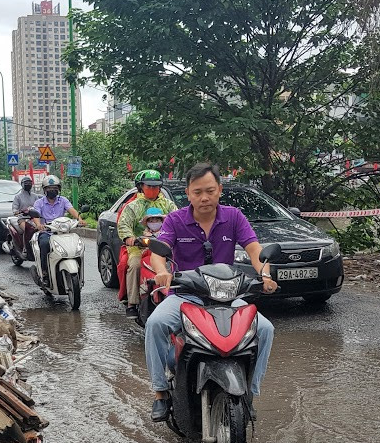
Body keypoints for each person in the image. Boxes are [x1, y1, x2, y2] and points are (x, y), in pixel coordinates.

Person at [145, 163, 279, 422]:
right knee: (155, 323)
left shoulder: (234, 217)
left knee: (265, 330)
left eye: (209, 190)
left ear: (219, 190)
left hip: (228, 295)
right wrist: (162, 272)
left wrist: (265, 274)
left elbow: (253, 248)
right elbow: (158, 254)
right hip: (186, 295)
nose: (204, 197)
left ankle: (250, 393)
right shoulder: (175, 220)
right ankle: (160, 392)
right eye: (197, 192)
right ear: (188, 194)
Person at [117, 169, 177, 317]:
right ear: (141, 187)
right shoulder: (133, 206)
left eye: (156, 186)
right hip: (139, 248)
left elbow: (178, 220)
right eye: (149, 186)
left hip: (164, 247)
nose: (152, 189)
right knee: (135, 265)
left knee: (178, 266)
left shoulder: (168, 205)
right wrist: (129, 238)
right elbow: (123, 225)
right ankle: (132, 303)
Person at [31, 175, 86, 283]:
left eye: (55, 188)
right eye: (49, 188)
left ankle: (79, 271)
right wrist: (39, 225)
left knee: (77, 244)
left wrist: (80, 219)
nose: (52, 190)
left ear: (59, 190)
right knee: (44, 244)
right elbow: (35, 216)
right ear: (45, 190)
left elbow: (72, 210)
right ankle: (45, 272)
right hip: (47, 232)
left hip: (63, 232)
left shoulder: (63, 200)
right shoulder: (39, 203)